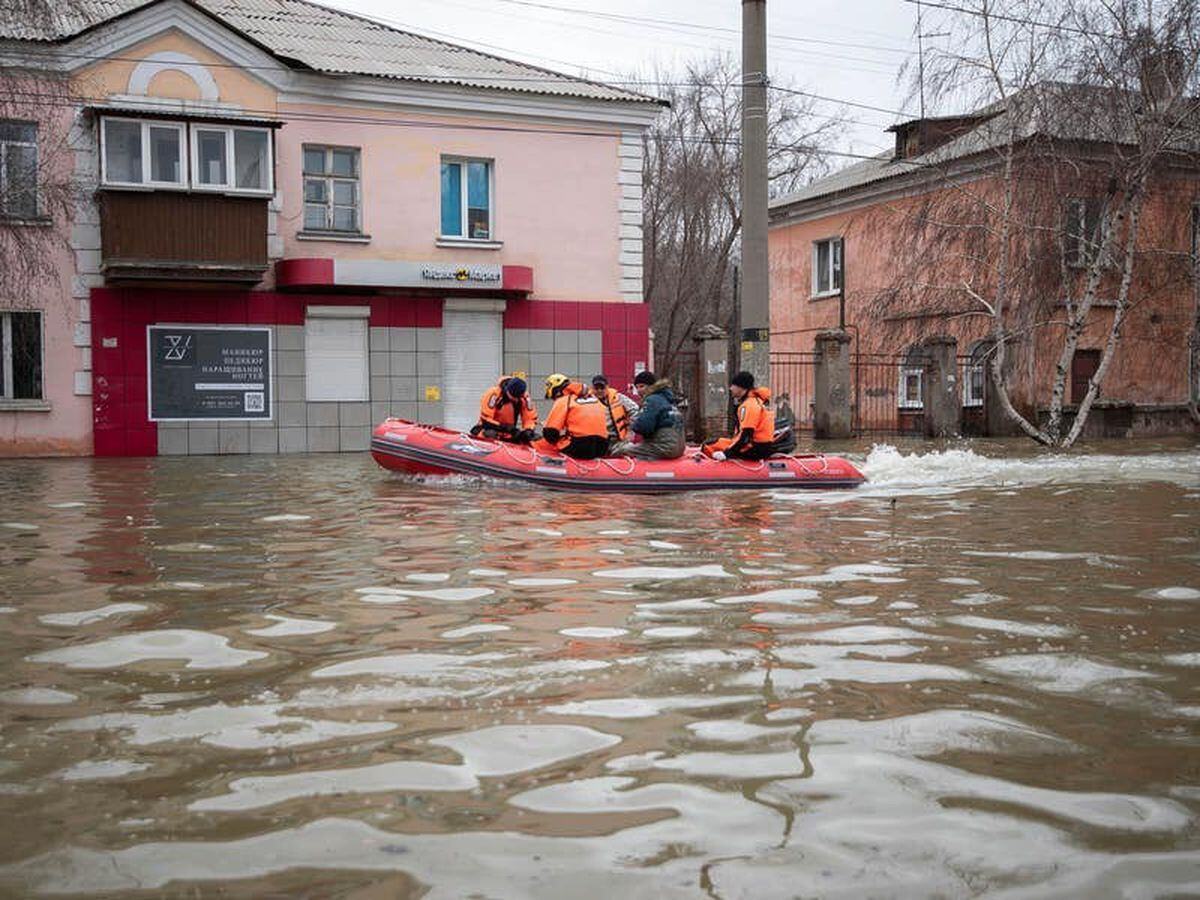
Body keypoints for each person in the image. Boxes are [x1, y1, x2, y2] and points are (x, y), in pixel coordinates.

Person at [532, 373, 611, 459]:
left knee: (546, 444)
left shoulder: (564, 400)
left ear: (556, 392)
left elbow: (551, 433)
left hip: (580, 446)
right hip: (602, 447)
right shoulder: (594, 398)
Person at [609, 370, 686, 460]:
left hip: (664, 447)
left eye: (642, 386)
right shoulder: (668, 400)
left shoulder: (652, 400)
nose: (638, 390)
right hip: (679, 448)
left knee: (620, 450)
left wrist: (633, 425)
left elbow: (644, 427)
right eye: (636, 387)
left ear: (651, 386)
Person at [701, 371, 777, 461]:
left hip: (754, 448)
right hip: (759, 446)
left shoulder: (749, 405)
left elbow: (746, 436)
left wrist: (727, 453)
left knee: (708, 446)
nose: (730, 388)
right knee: (713, 442)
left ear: (741, 387)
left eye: (733, 385)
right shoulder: (755, 401)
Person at [471, 375, 538, 443]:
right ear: (507, 390)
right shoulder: (493, 395)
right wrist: (506, 428)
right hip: (489, 429)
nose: (516, 399)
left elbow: (530, 418)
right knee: (490, 434)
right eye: (513, 396)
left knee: (534, 438)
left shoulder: (524, 397)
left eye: (518, 397)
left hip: (509, 433)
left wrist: (528, 430)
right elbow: (486, 420)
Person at [590, 374, 638, 445]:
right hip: (596, 441)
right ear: (592, 388)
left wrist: (630, 431)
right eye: (596, 388)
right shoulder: (587, 401)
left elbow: (635, 411)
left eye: (602, 387)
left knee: (631, 449)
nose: (599, 390)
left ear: (607, 387)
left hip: (617, 441)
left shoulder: (619, 398)